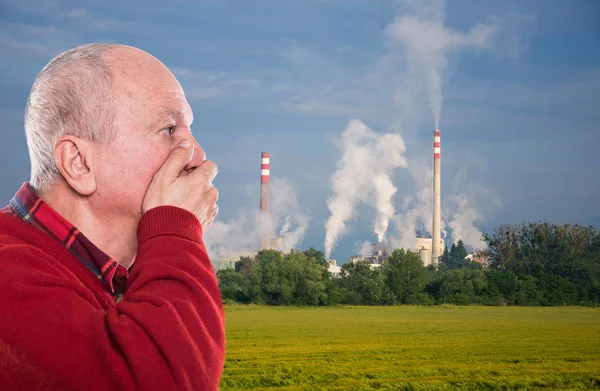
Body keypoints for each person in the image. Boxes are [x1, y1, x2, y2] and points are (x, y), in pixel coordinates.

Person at [0, 43, 225, 390]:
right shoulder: (7, 274)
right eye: (169, 129)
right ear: (79, 163)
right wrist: (175, 227)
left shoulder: (64, 271)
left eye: (189, 129)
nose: (197, 154)